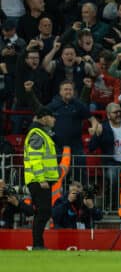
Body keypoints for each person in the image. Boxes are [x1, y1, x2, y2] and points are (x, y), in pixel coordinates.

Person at [24, 107, 58, 250]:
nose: (54, 119)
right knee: (43, 211)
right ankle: (37, 244)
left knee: (43, 212)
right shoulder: (37, 134)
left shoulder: (41, 133)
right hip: (39, 180)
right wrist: (41, 178)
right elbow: (35, 159)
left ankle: (39, 244)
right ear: (44, 118)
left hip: (41, 180)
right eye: (52, 116)